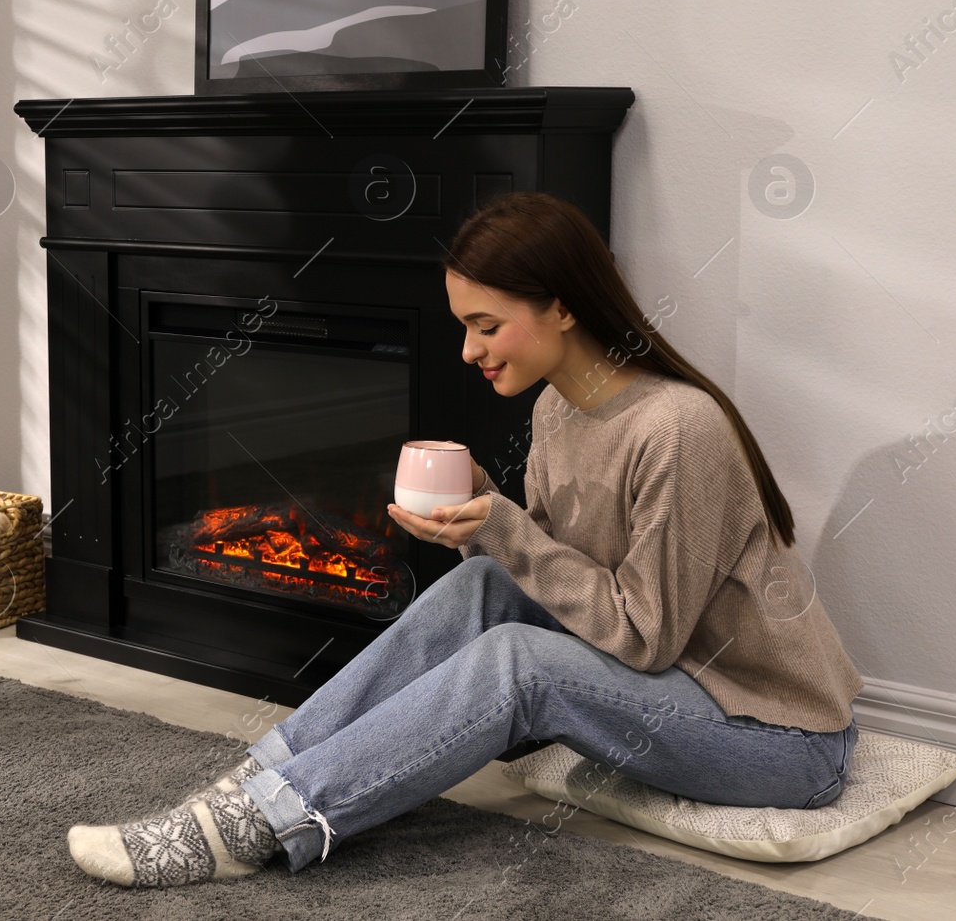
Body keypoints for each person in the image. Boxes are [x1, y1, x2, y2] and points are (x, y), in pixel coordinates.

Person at [66, 191, 863, 888]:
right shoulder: (558, 408)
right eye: (464, 326)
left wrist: (505, 527)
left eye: (486, 326)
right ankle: (260, 776)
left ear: (562, 306)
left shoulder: (677, 429)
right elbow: (558, 583)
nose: (468, 351)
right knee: (483, 587)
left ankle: (263, 826)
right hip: (676, 687)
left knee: (515, 662)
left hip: (776, 736)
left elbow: (645, 634)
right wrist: (484, 527)